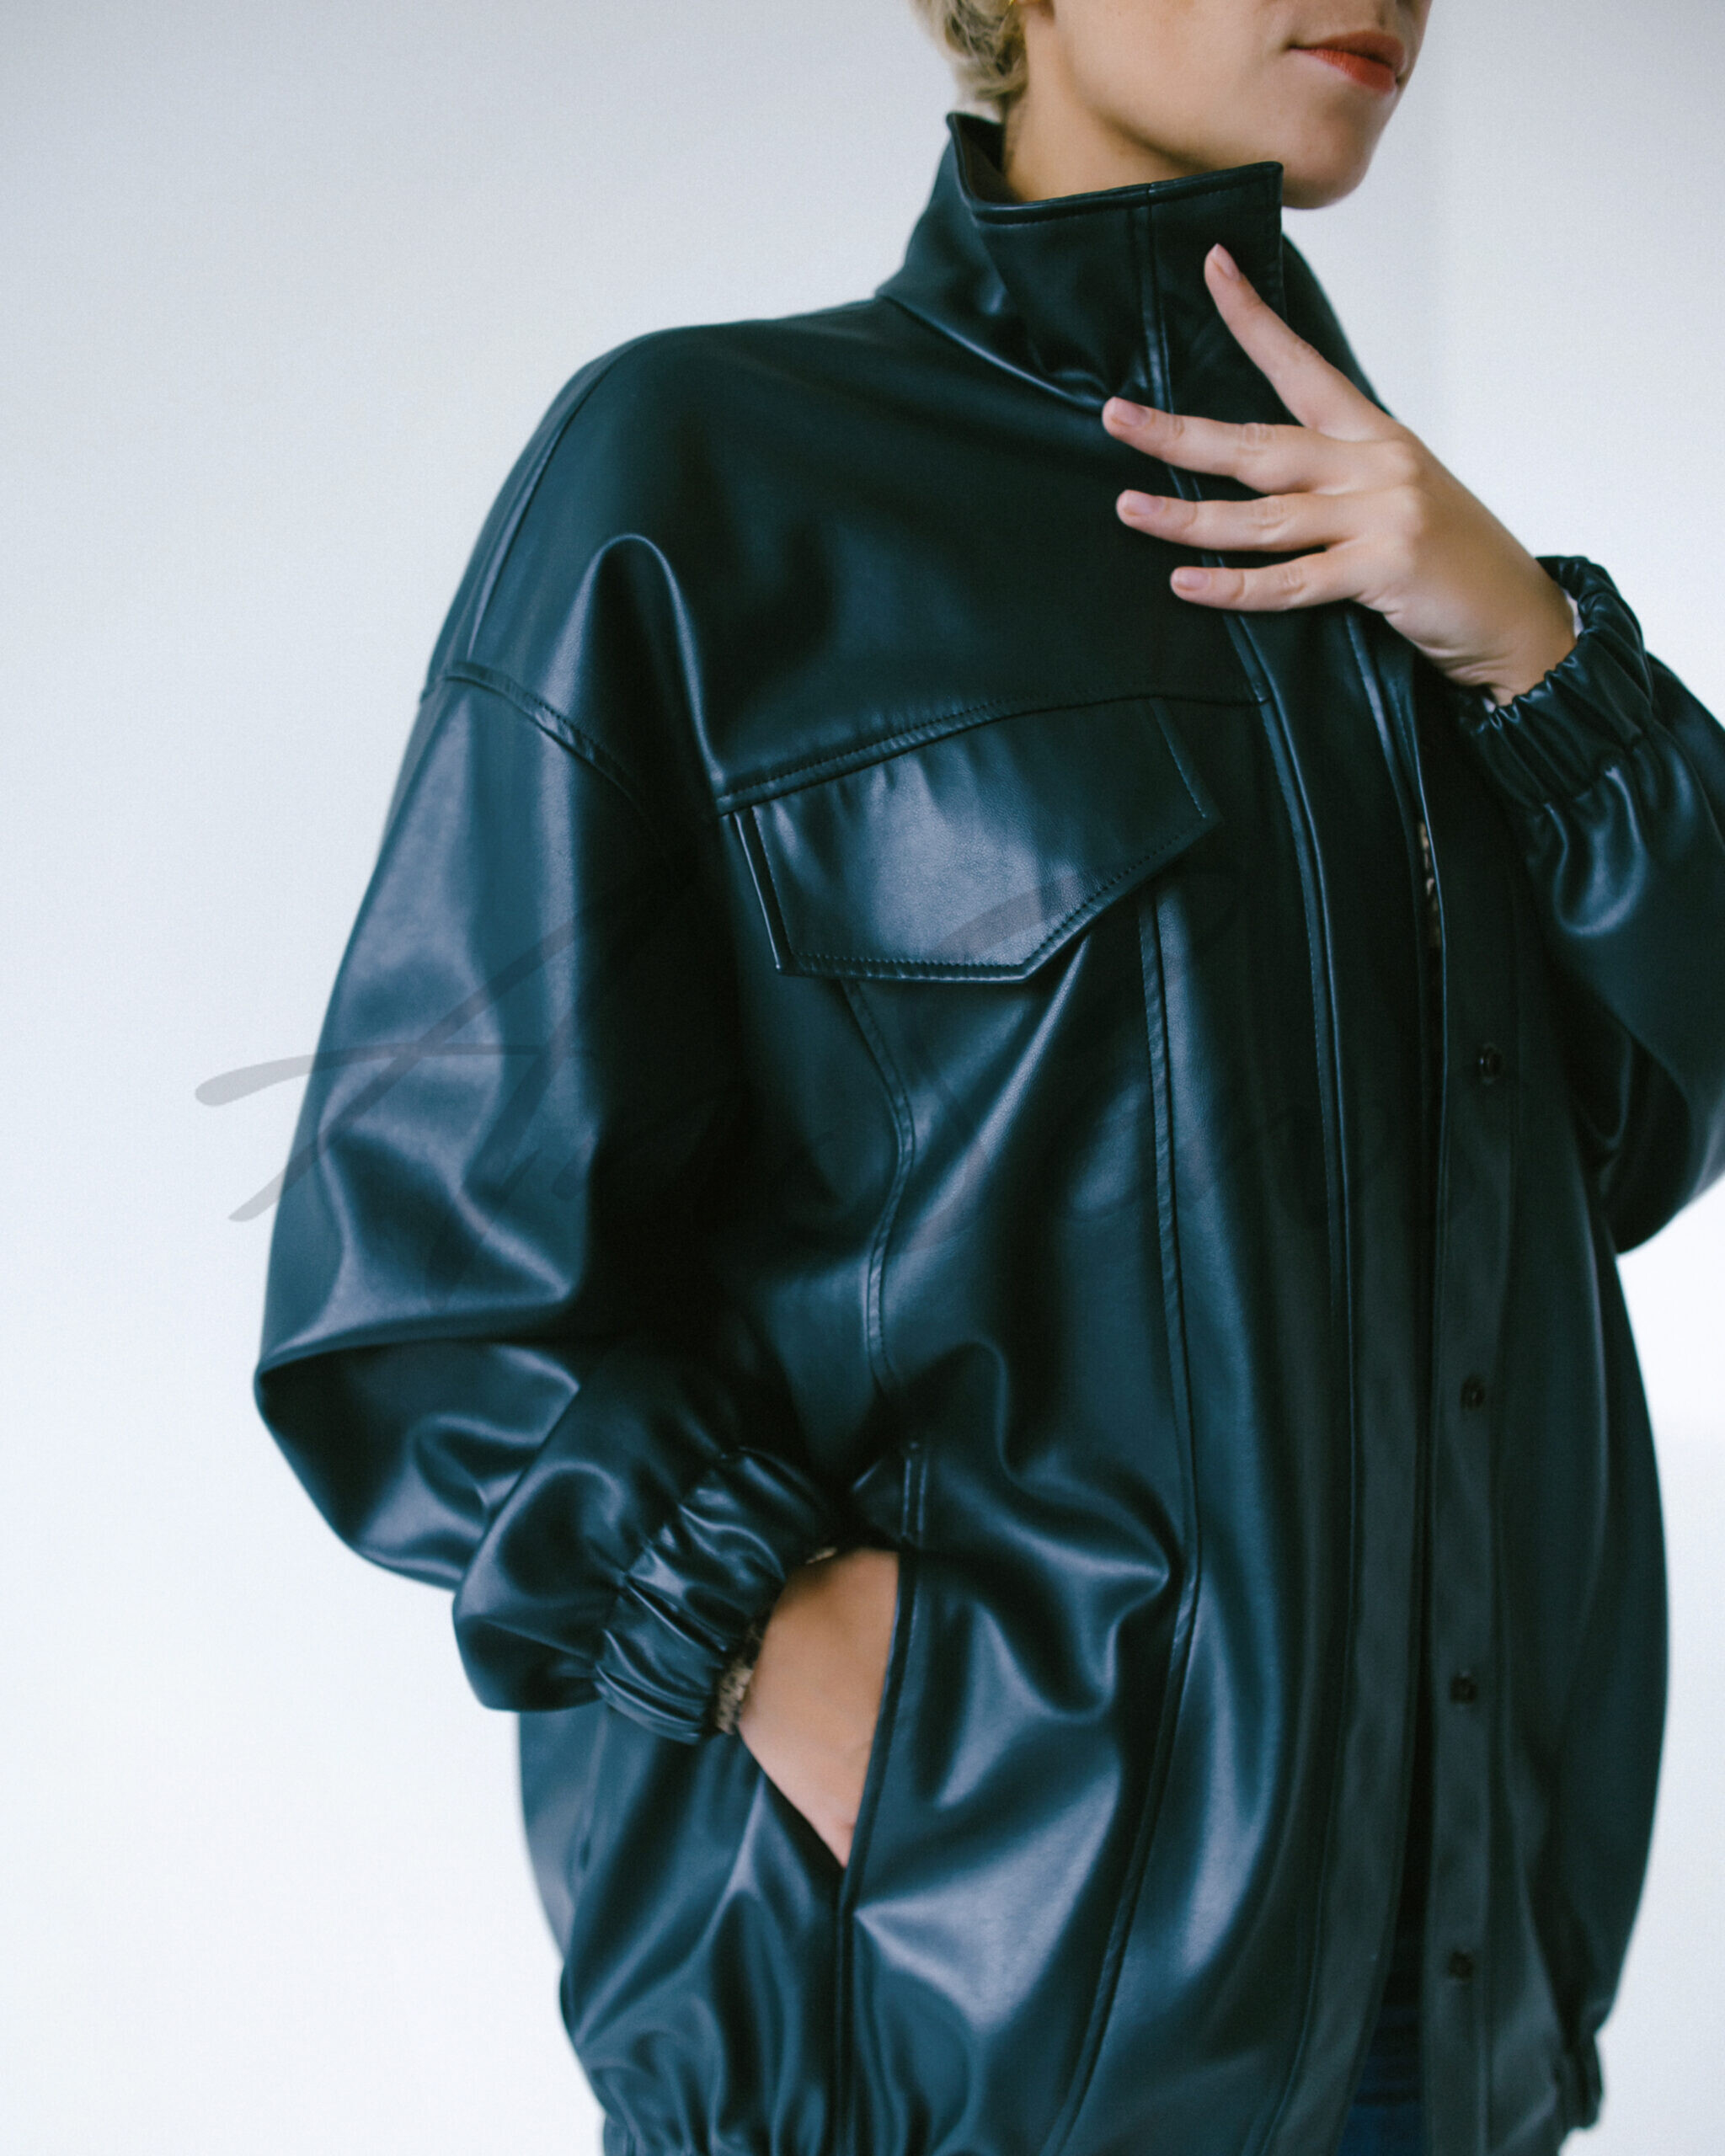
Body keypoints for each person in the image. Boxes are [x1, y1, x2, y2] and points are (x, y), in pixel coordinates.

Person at [252, 4, 1725, 2153]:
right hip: (949, 2024)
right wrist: (808, 1660)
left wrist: (1541, 660)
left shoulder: (1414, 586)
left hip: (1447, 2026)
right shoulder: (711, 477)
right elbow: (415, 1282)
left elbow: (1629, 1136)